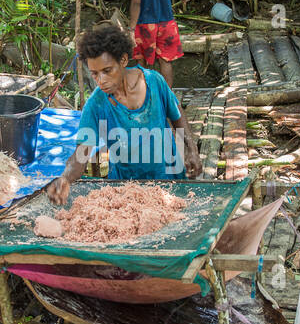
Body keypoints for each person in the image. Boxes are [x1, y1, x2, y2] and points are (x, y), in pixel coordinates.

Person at [48, 22, 201, 205]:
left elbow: (176, 115)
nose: (101, 81)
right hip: (126, 187)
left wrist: (192, 150)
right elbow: (81, 154)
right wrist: (65, 178)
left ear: (123, 61)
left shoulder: (154, 82)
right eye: (95, 74)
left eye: (107, 71)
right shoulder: (96, 105)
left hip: (169, 178)